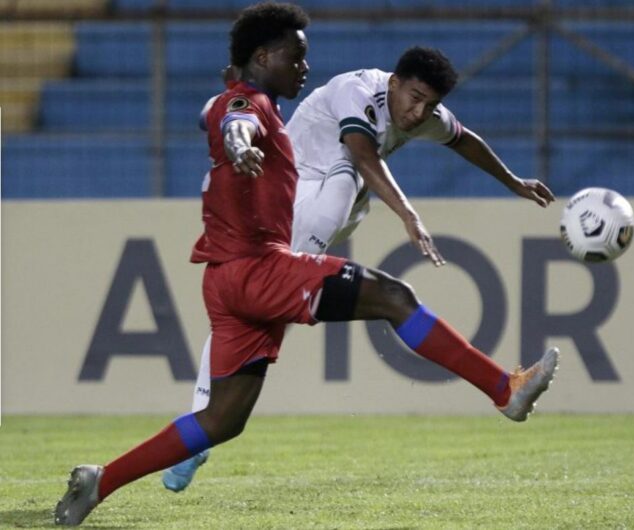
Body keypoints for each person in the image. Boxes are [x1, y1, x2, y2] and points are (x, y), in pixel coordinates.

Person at [54, 3, 559, 526]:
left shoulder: (254, 103)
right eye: (296, 58)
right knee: (393, 296)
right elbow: (239, 120)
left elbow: (221, 112)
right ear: (263, 56)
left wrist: (513, 182)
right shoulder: (260, 104)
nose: (305, 68)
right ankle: (504, 388)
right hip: (261, 267)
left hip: (226, 279)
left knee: (222, 420)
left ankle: (100, 481)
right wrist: (239, 137)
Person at [161, 48, 559, 491]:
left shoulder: (422, 109)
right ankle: (198, 429)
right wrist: (408, 214)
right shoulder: (358, 91)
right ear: (394, 83)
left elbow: (463, 139)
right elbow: (365, 155)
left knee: (259, 312)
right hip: (294, 194)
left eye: (429, 104)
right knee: (260, 304)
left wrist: (512, 181)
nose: (418, 111)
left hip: (337, 205)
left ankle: (199, 427)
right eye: (414, 98)